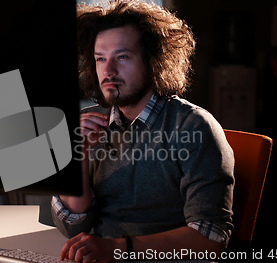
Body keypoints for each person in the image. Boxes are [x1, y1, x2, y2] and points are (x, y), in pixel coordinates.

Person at [51, 1, 234, 262]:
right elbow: (72, 227)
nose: (109, 71)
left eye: (122, 57)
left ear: (154, 61)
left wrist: (117, 249)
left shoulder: (195, 127)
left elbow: (211, 240)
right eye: (100, 59)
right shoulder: (86, 123)